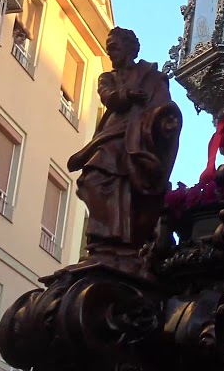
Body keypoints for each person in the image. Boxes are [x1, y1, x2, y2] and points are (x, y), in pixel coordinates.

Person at [66, 28, 181, 271]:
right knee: (92, 178)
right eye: (108, 49)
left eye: (115, 48)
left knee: (127, 185)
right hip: (112, 134)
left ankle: (121, 240)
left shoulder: (151, 75)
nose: (111, 54)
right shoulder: (107, 77)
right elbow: (108, 97)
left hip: (140, 135)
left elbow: (163, 105)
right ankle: (103, 238)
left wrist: (165, 121)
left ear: (130, 49)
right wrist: (127, 94)